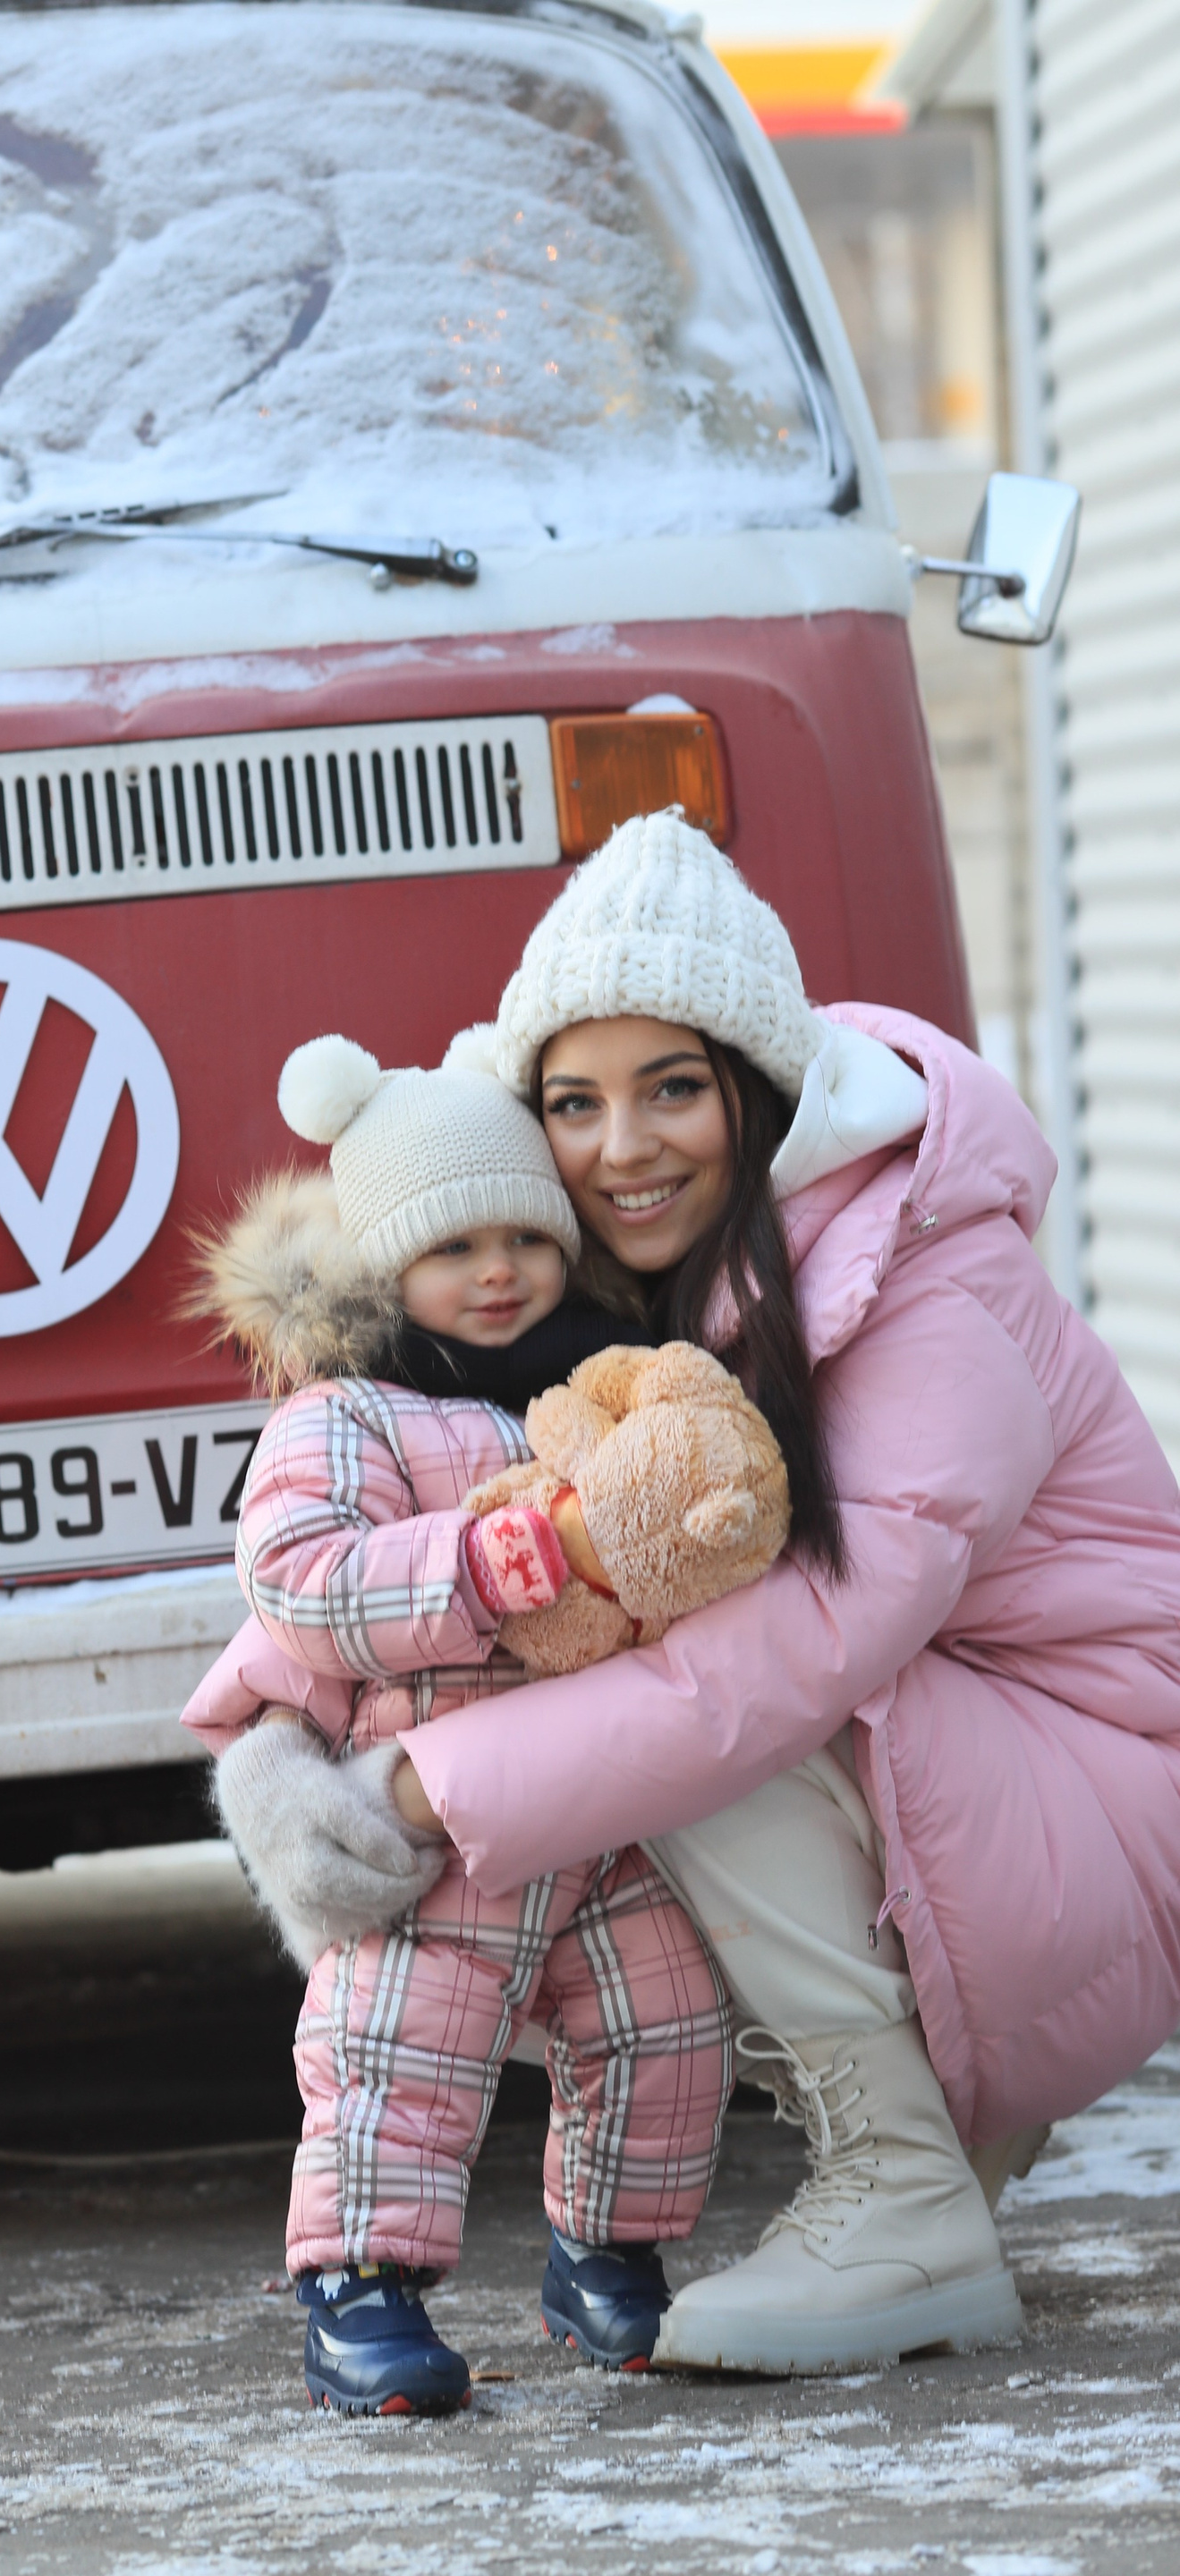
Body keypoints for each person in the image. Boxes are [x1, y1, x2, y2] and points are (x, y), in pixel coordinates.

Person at [212, 809, 1180, 2376]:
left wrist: (418, 1783)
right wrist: (269, 1742)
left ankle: (903, 2190)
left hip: (1108, 1812)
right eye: (574, 1103)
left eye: (673, 1087)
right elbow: (410, 1514)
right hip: (1004, 1800)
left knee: (693, 1700)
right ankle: (941, 2140)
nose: (623, 1147)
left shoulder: (933, 1283)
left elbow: (795, 1657)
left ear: (758, 1085)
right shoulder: (633, 1283)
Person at [183, 1029, 738, 2413]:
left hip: (606, 1789)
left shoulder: (602, 1382)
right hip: (431, 1797)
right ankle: (360, 2289)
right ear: (386, 1265)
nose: (498, 1272)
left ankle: (608, 2256)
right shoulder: (350, 1414)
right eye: (454, 1248)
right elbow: (301, 1577)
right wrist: (482, 1568)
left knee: (665, 2022)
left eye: (525, 1239)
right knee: (401, 2046)